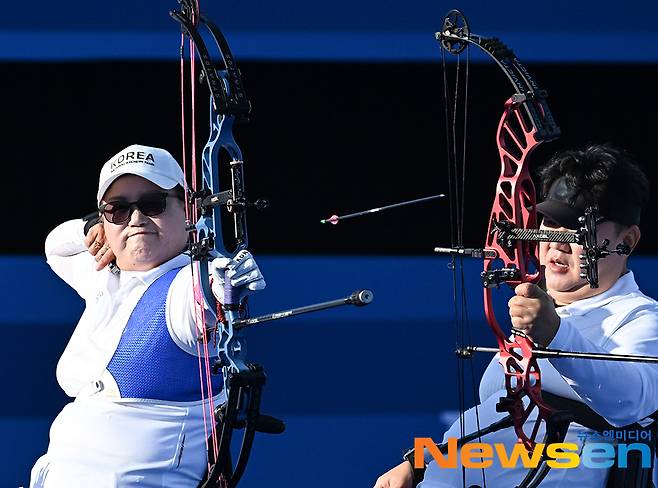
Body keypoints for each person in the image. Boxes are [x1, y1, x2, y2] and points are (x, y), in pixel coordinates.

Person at [374, 143, 658, 488]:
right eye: (549, 223)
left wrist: (555, 333)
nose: (556, 242)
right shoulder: (542, 313)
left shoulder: (641, 318)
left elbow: (629, 402)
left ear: (626, 240)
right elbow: (496, 414)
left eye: (577, 229)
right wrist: (420, 463)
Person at [30, 144, 265, 487]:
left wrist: (226, 286)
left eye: (152, 204)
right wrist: (93, 225)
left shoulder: (187, 283)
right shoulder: (103, 272)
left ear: (188, 208)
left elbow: (207, 295)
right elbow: (56, 245)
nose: (136, 219)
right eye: (119, 209)